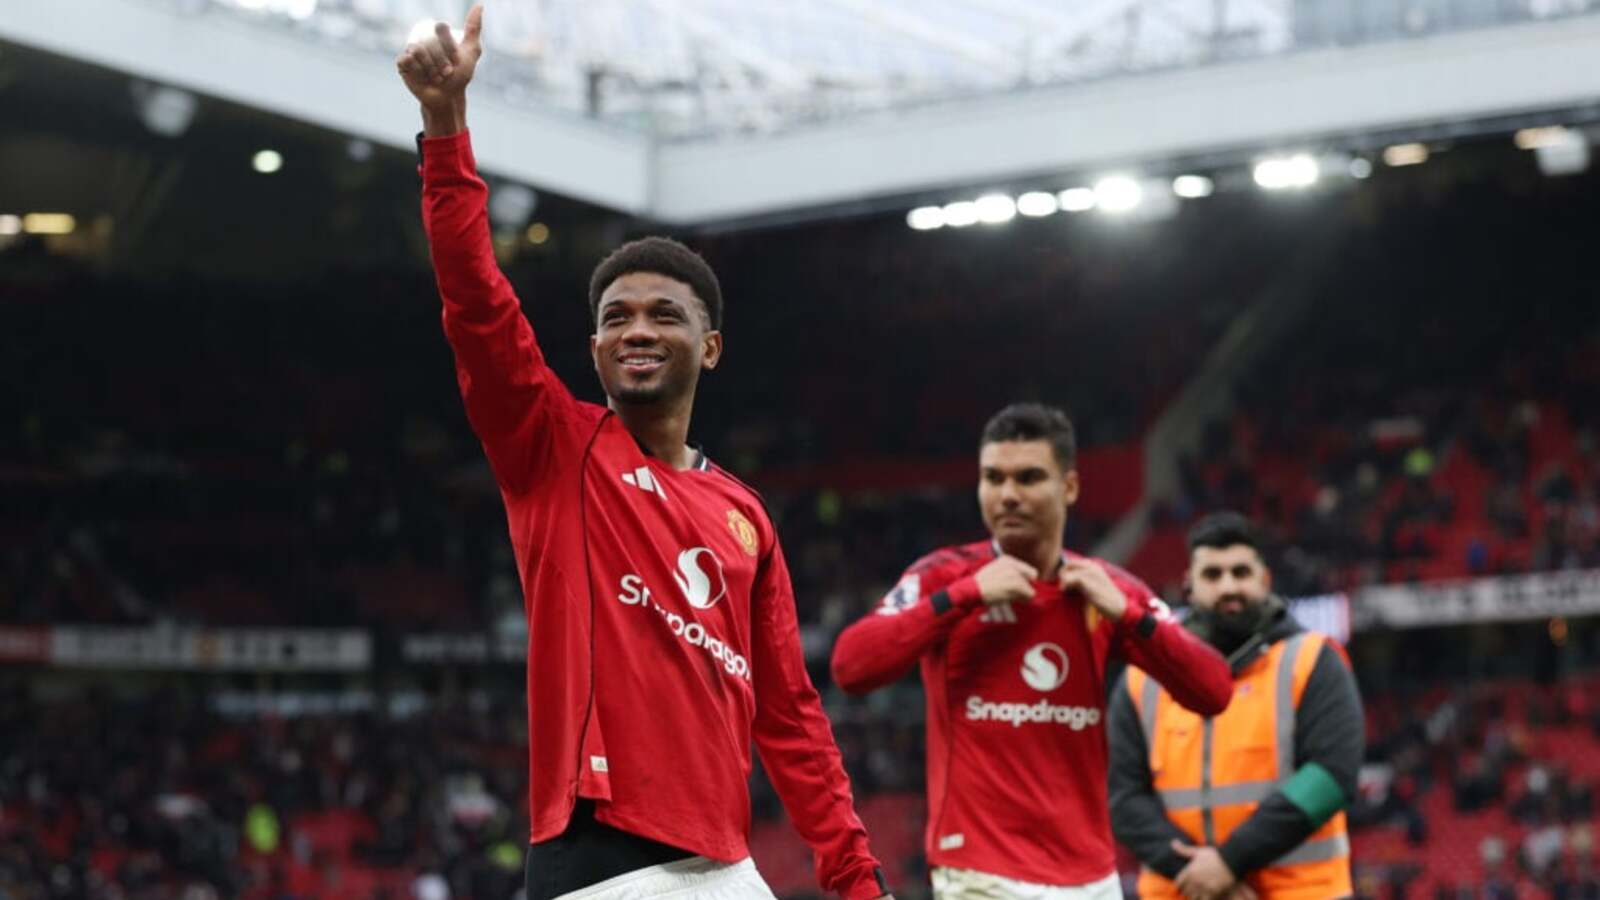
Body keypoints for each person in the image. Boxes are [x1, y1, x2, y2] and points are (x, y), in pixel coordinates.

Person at [395, 9, 891, 899]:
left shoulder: (744, 516)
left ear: (710, 348)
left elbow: (790, 716)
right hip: (603, 860)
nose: (637, 330)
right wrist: (445, 126)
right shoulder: (555, 446)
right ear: (593, 351)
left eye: (666, 315)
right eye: (616, 317)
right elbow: (476, 301)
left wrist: (857, 879)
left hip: (726, 864)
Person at [830, 403, 1232, 899]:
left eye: (1028, 477)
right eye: (993, 478)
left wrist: (1129, 616)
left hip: (1093, 876)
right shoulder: (947, 576)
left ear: (1070, 487)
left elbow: (1214, 690)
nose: (1007, 495)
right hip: (981, 873)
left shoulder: (1106, 590)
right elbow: (850, 666)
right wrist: (966, 595)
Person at [1109, 512, 1363, 900]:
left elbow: (1331, 776)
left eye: (1241, 572)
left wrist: (1229, 863)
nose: (1228, 587)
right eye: (1212, 575)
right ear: (1189, 586)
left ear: (1265, 579)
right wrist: (1200, 876)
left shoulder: (1312, 661)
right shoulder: (1143, 679)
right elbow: (1123, 798)